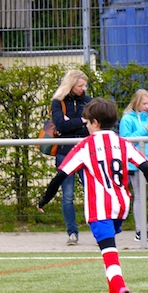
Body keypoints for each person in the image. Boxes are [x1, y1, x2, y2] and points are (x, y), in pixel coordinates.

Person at [37, 97, 148, 293]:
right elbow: (146, 167)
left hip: (99, 208)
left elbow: (61, 175)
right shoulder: (122, 143)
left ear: (94, 123)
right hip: (121, 207)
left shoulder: (85, 146)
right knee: (108, 247)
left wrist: (44, 199)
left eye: (87, 122)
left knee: (109, 252)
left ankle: (120, 290)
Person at [51, 69, 91, 246]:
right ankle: (72, 232)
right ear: (71, 85)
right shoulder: (58, 102)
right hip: (65, 153)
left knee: (91, 192)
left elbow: (91, 125)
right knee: (68, 195)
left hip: (86, 152)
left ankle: (98, 230)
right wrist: (81, 121)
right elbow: (60, 125)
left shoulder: (88, 102)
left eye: (85, 85)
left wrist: (72, 124)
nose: (83, 88)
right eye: (80, 85)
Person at [119, 89, 148, 242]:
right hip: (135, 162)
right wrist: (143, 130)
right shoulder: (127, 119)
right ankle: (140, 230)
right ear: (137, 102)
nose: (147, 107)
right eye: (144, 104)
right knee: (140, 196)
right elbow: (125, 139)